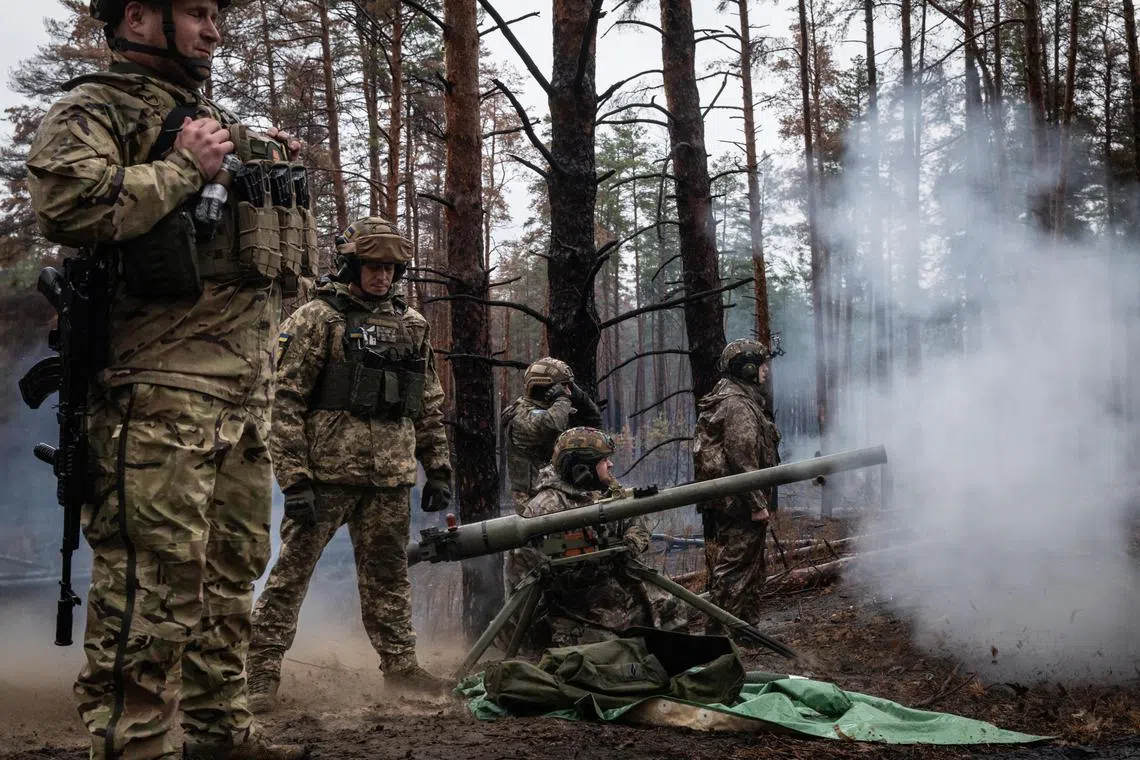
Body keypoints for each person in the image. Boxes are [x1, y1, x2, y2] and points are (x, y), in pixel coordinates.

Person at [24, 1, 309, 758]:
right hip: (157, 394)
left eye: (217, 15)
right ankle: (135, 742)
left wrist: (261, 161)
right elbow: (64, 203)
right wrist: (186, 168)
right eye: (198, 13)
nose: (214, 30)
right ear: (140, 17)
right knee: (153, 580)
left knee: (231, 573)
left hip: (241, 396)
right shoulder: (97, 108)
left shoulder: (209, 122)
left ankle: (220, 733)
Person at [246, 217, 454, 711]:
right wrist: (294, 479)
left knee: (389, 578)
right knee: (291, 574)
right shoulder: (317, 319)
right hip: (325, 476)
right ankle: (261, 671)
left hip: (390, 476)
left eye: (390, 269)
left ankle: (401, 667)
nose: (382, 276)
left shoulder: (412, 325)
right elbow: (284, 402)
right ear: (351, 266)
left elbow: (427, 402)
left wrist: (438, 467)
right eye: (373, 267)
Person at [512, 427, 654, 649]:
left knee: (672, 617)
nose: (610, 465)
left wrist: (631, 542)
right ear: (582, 468)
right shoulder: (545, 509)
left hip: (616, 599)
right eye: (604, 460)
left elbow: (636, 521)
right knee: (611, 650)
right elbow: (532, 567)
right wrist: (594, 551)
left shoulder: (602, 490)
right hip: (569, 613)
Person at [692, 339, 781, 630]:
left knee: (750, 567)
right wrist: (757, 504)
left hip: (736, 500)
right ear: (747, 368)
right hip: (740, 504)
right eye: (762, 365)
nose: (766, 370)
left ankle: (745, 630)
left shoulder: (737, 397)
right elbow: (741, 458)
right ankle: (719, 635)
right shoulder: (737, 405)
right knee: (735, 569)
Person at [502, 358, 602, 513]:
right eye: (563, 387)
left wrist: (579, 396)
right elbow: (553, 425)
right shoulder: (521, 417)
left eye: (569, 388)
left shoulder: (555, 411)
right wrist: (562, 398)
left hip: (560, 495)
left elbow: (593, 422)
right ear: (543, 389)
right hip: (534, 502)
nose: (568, 393)